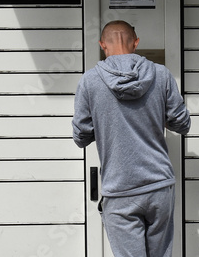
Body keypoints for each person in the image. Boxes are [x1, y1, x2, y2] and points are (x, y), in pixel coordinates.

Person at [72, 20, 191, 257]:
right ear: (136, 43)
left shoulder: (90, 81)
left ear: (102, 45)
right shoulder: (161, 75)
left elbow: (81, 136)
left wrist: (106, 123)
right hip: (159, 186)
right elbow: (182, 124)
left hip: (120, 190)